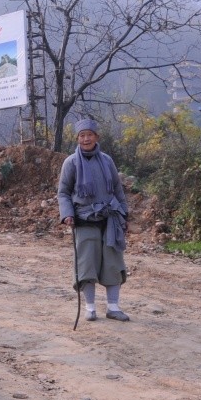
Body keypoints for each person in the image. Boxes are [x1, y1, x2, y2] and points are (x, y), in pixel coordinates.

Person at [57, 118, 130, 322]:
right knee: (87, 264)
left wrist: (124, 213)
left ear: (96, 137)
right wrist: (67, 214)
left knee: (113, 263)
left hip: (110, 219)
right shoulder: (70, 162)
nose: (86, 138)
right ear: (78, 139)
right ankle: (90, 308)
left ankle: (113, 307)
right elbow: (63, 192)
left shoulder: (107, 161)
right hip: (84, 219)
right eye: (82, 135)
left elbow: (117, 188)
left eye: (89, 135)